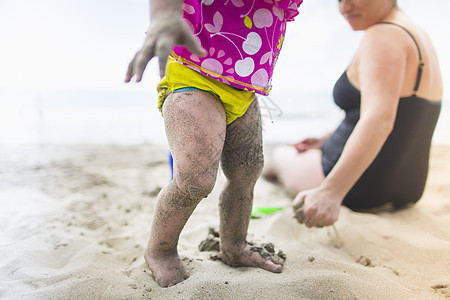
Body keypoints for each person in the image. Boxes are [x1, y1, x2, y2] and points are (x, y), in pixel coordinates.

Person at [125, 0, 303, 287]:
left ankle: (234, 245)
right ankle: (160, 250)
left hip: (245, 85)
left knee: (246, 172)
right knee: (196, 179)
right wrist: (164, 16)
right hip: (192, 70)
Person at [264, 0, 442, 228]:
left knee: (279, 155)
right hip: (408, 188)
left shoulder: (383, 36)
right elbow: (402, 112)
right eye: (338, 0)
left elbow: (379, 120)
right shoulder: (416, 34)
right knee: (295, 152)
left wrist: (331, 192)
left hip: (356, 187)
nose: (344, 8)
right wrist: (327, 137)